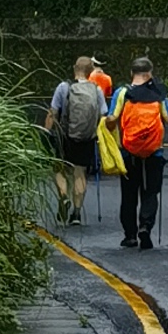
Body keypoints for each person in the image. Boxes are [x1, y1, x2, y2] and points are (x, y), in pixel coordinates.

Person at [44, 56, 106, 225]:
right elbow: (103, 115)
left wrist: (47, 133)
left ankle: (63, 196)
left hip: (65, 136)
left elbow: (53, 113)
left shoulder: (64, 87)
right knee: (80, 173)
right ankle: (77, 214)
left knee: (60, 169)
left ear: (74, 68)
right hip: (86, 138)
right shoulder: (96, 90)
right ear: (91, 71)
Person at [114, 57, 168, 249]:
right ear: (149, 73)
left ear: (132, 73)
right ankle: (145, 226)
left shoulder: (122, 92)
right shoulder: (158, 92)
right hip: (154, 152)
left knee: (128, 195)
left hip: (129, 152)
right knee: (151, 192)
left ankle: (130, 235)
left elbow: (112, 117)